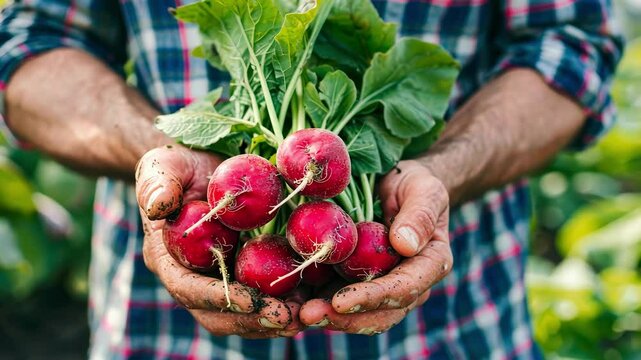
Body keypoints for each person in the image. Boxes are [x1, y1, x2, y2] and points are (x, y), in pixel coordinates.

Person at [0, 0, 622, 358]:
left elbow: (569, 46)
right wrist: (164, 153)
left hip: (453, 331)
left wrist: (442, 172)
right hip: (161, 336)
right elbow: (31, 47)